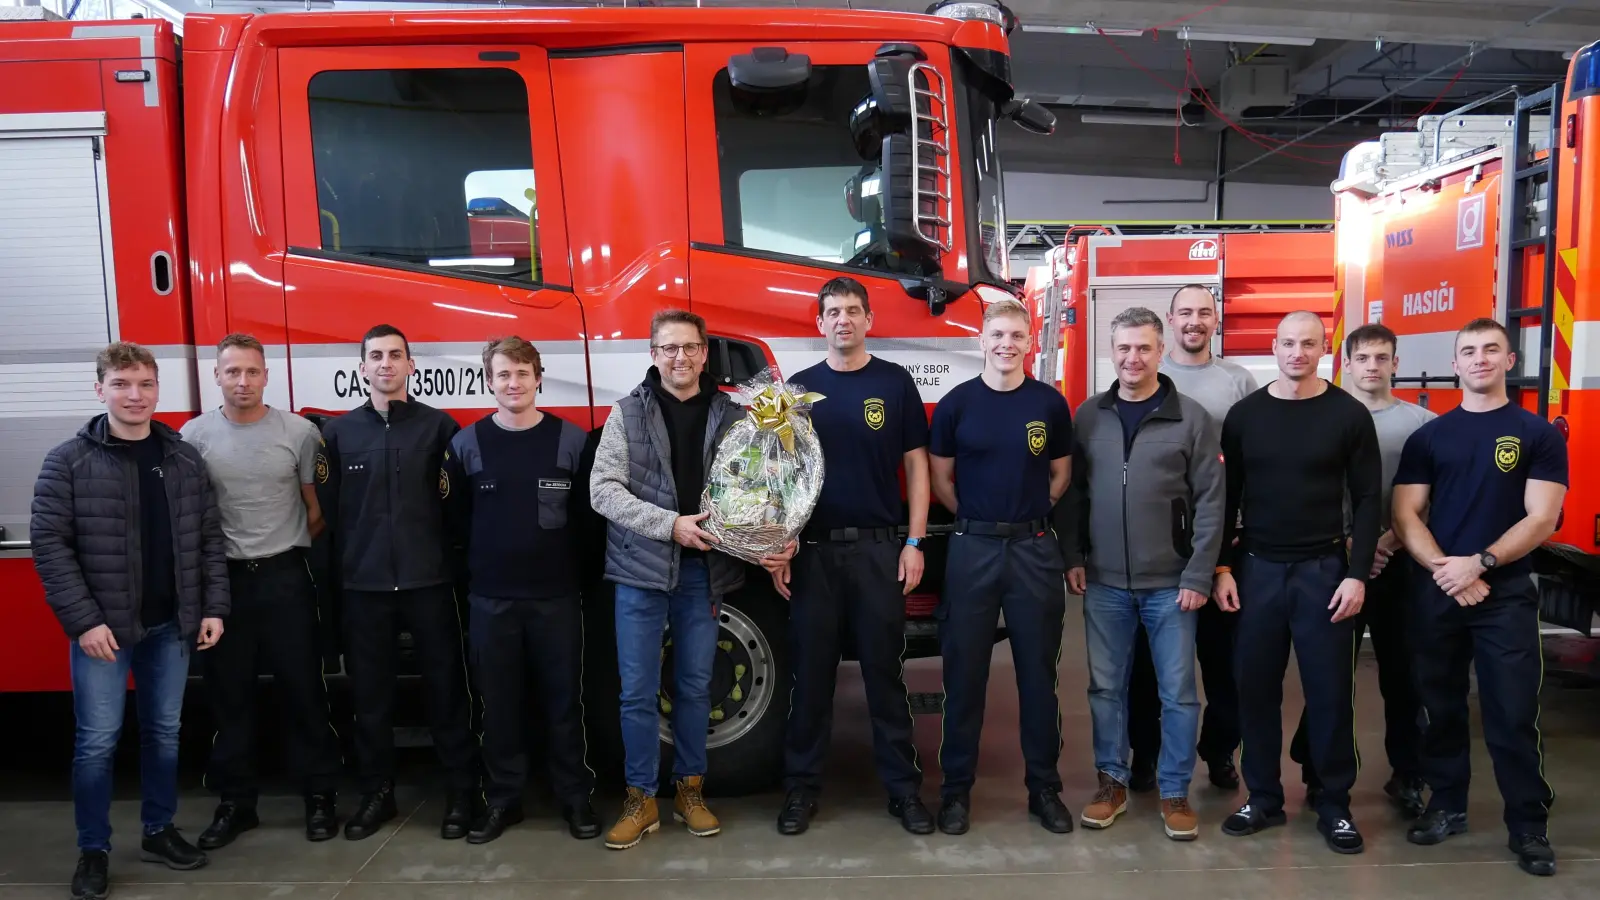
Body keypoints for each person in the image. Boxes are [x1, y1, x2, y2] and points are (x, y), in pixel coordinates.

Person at [32, 341, 230, 900]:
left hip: (171, 626)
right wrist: (84, 622)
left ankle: (158, 830)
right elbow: (50, 547)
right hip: (104, 632)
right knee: (96, 742)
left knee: (163, 735)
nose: (134, 395)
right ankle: (93, 850)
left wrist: (213, 606)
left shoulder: (183, 457)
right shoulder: (67, 460)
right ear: (100, 390)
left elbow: (209, 538)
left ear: (157, 390)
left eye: (144, 384)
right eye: (121, 384)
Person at [589, 308, 792, 849]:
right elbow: (603, 490)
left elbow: (758, 491)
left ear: (705, 353)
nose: (679, 357)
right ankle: (639, 800)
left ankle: (690, 791)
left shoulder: (734, 417)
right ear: (653, 355)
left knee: (696, 687)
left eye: (689, 347)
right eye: (668, 348)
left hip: (705, 575)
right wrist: (669, 526)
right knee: (636, 693)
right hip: (639, 574)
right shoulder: (625, 414)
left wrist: (774, 539)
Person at [1391, 317, 1566, 877]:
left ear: (1508, 361)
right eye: (1469, 351)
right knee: (1438, 708)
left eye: (1491, 349)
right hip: (1440, 592)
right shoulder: (1429, 438)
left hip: (1506, 593)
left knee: (1512, 712)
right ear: (1456, 363)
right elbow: (1405, 514)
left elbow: (1543, 517)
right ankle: (1446, 806)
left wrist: (1481, 563)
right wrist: (1448, 571)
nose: (1480, 359)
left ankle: (1528, 825)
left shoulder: (1538, 434)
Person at [1213, 311, 1381, 855]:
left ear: (1323, 347)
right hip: (1257, 569)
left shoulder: (1348, 414)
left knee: (1330, 693)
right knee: (1254, 689)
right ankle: (1261, 796)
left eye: (1309, 344)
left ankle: (1333, 801)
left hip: (1324, 572)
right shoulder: (1245, 416)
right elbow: (1226, 498)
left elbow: (1369, 499)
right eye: (1288, 343)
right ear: (1274, 346)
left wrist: (1357, 575)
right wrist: (1221, 567)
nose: (1297, 353)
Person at [773, 277, 935, 836]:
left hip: (878, 551)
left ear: (869, 320)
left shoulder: (894, 384)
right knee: (811, 679)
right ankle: (800, 789)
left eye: (852, 311)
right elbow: (782, 475)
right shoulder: (797, 390)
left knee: (884, 678)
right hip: (813, 553)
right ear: (819, 324)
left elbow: (916, 467)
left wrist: (915, 542)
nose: (843, 320)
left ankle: (904, 791)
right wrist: (780, 544)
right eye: (832, 312)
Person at [1059, 307, 1224, 841]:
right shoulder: (1089, 416)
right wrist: (1075, 557)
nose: (1134, 358)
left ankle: (1175, 791)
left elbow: (1211, 503)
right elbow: (1073, 495)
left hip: (1171, 586)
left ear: (1161, 350)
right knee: (1106, 689)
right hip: (1104, 582)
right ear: (1113, 350)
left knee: (1178, 693)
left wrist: (1198, 575)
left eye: (1144, 348)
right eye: (1124, 348)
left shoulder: (1192, 418)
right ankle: (1112, 783)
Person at [315, 324, 478, 842]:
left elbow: (456, 508)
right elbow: (331, 516)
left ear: (412, 366)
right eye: (376, 356)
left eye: (396, 356)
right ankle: (376, 795)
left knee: (447, 693)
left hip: (429, 584)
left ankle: (460, 794)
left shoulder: (439, 429)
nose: (386, 364)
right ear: (361, 368)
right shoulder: (338, 435)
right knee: (370, 699)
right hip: (363, 589)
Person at [181, 334, 344, 849]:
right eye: (233, 372)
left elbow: (316, 509)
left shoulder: (298, 432)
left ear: (266, 375)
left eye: (252, 372)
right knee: (230, 699)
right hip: (223, 585)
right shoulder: (193, 436)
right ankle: (236, 805)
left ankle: (320, 799)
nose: (243, 381)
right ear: (217, 376)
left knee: (305, 692)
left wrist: (282, 547)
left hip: (285, 579)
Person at [443, 336, 600, 844]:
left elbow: (587, 525)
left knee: (563, 702)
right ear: (489, 381)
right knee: (499, 705)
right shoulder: (466, 445)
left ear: (539, 377)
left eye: (522, 373)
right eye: (503, 374)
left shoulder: (571, 441)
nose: (514, 383)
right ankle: (504, 800)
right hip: (492, 601)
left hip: (556, 599)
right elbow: (455, 524)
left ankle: (575, 798)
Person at [929, 298, 1075, 836]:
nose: (1006, 345)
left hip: (1035, 549)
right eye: (998, 335)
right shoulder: (957, 405)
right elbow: (943, 482)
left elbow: (1059, 477)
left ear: (1030, 341)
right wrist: (980, 522)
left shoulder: (1049, 405)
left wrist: (1026, 518)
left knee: (1038, 676)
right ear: (982, 341)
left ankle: (1044, 791)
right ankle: (955, 794)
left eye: (1017, 335)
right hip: (973, 549)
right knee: (964, 676)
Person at [1288, 323, 1432, 818]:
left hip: (1397, 566)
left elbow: (1428, 500)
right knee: (1328, 674)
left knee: (1403, 676)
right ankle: (1315, 769)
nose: (1372, 366)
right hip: (1334, 563)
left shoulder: (1421, 424)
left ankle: (1409, 774)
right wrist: (1351, 548)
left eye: (1382, 358)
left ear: (1395, 364)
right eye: (1363, 357)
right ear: (1345, 363)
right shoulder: (1323, 416)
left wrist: (1384, 545)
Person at [1124, 283, 1257, 793]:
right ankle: (1146, 755)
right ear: (1169, 322)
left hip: (1224, 541)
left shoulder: (1238, 382)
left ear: (1215, 319)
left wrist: (1227, 549)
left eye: (1204, 312)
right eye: (1185, 313)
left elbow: (1244, 467)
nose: (1194, 321)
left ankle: (1219, 750)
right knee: (1147, 667)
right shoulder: (1148, 377)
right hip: (1158, 550)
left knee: (1225, 662)